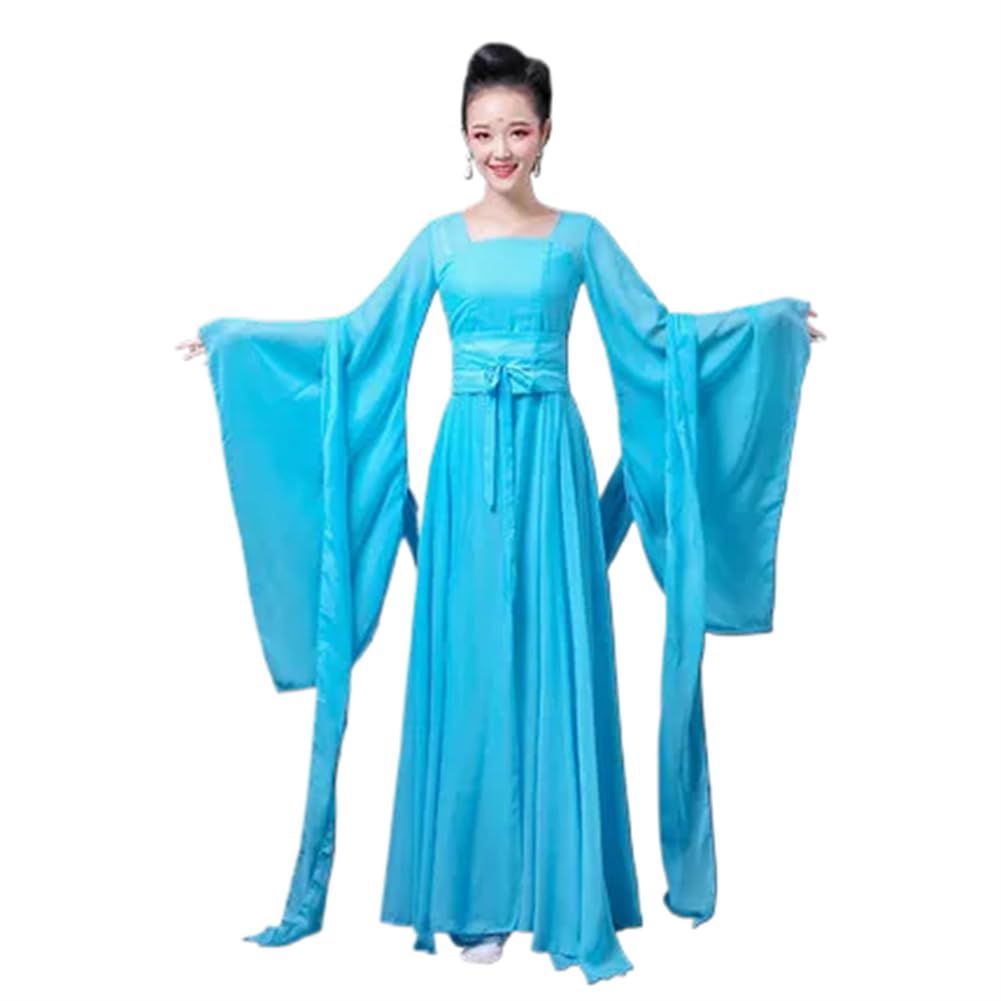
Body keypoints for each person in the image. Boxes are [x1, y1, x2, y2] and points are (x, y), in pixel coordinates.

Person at [178, 41, 824, 986]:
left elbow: (660, 338)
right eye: (483, 133)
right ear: (462, 136)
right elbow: (357, 339)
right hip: (466, 465)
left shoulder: (582, 237)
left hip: (552, 460)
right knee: (473, 660)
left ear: (546, 132)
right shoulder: (437, 242)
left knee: (557, 651)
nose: (500, 149)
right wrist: (238, 344)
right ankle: (473, 899)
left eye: (517, 130)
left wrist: (767, 327)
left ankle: (565, 893)